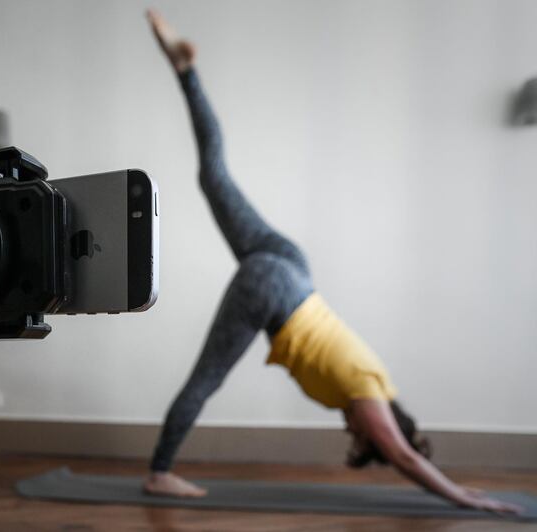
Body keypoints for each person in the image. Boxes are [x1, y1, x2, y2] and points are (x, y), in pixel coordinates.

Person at [142, 9, 521, 515]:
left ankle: (186, 72)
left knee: (214, 176)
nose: (352, 432)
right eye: (364, 439)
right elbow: (404, 457)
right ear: (384, 426)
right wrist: (464, 497)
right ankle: (160, 474)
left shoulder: (377, 379)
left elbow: (399, 447)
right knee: (204, 382)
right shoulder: (370, 395)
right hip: (274, 290)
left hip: (293, 269)